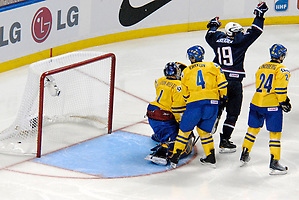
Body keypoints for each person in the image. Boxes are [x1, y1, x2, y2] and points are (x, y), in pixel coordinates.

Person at [205, 2, 268, 153]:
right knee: (233, 112)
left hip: (218, 81)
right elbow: (256, 30)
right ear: (234, 33)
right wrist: (259, 15)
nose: (241, 32)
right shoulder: (240, 42)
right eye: (238, 31)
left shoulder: (218, 40)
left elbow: (209, 35)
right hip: (234, 82)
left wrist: (214, 25)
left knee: (216, 106)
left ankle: (214, 119)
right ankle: (225, 140)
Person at [169, 45, 228, 168]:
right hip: (212, 105)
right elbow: (222, 84)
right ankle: (210, 157)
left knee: (184, 132)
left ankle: (175, 158)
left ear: (191, 57)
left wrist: (188, 101)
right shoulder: (214, 66)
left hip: (195, 105)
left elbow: (184, 93)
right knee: (205, 132)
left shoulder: (186, 71)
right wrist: (223, 98)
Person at [240, 44, 291, 175]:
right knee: (274, 134)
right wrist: (284, 102)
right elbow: (279, 90)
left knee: (252, 130)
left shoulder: (262, 67)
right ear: (281, 56)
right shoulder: (282, 69)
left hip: (256, 102)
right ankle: (274, 162)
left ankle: (245, 153)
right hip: (272, 105)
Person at [145, 62, 193, 165]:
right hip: (163, 116)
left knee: (163, 130)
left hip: (151, 111)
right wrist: (181, 123)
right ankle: (163, 149)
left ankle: (160, 135)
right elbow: (177, 108)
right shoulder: (178, 86)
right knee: (179, 142)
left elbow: (157, 83)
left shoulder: (160, 80)